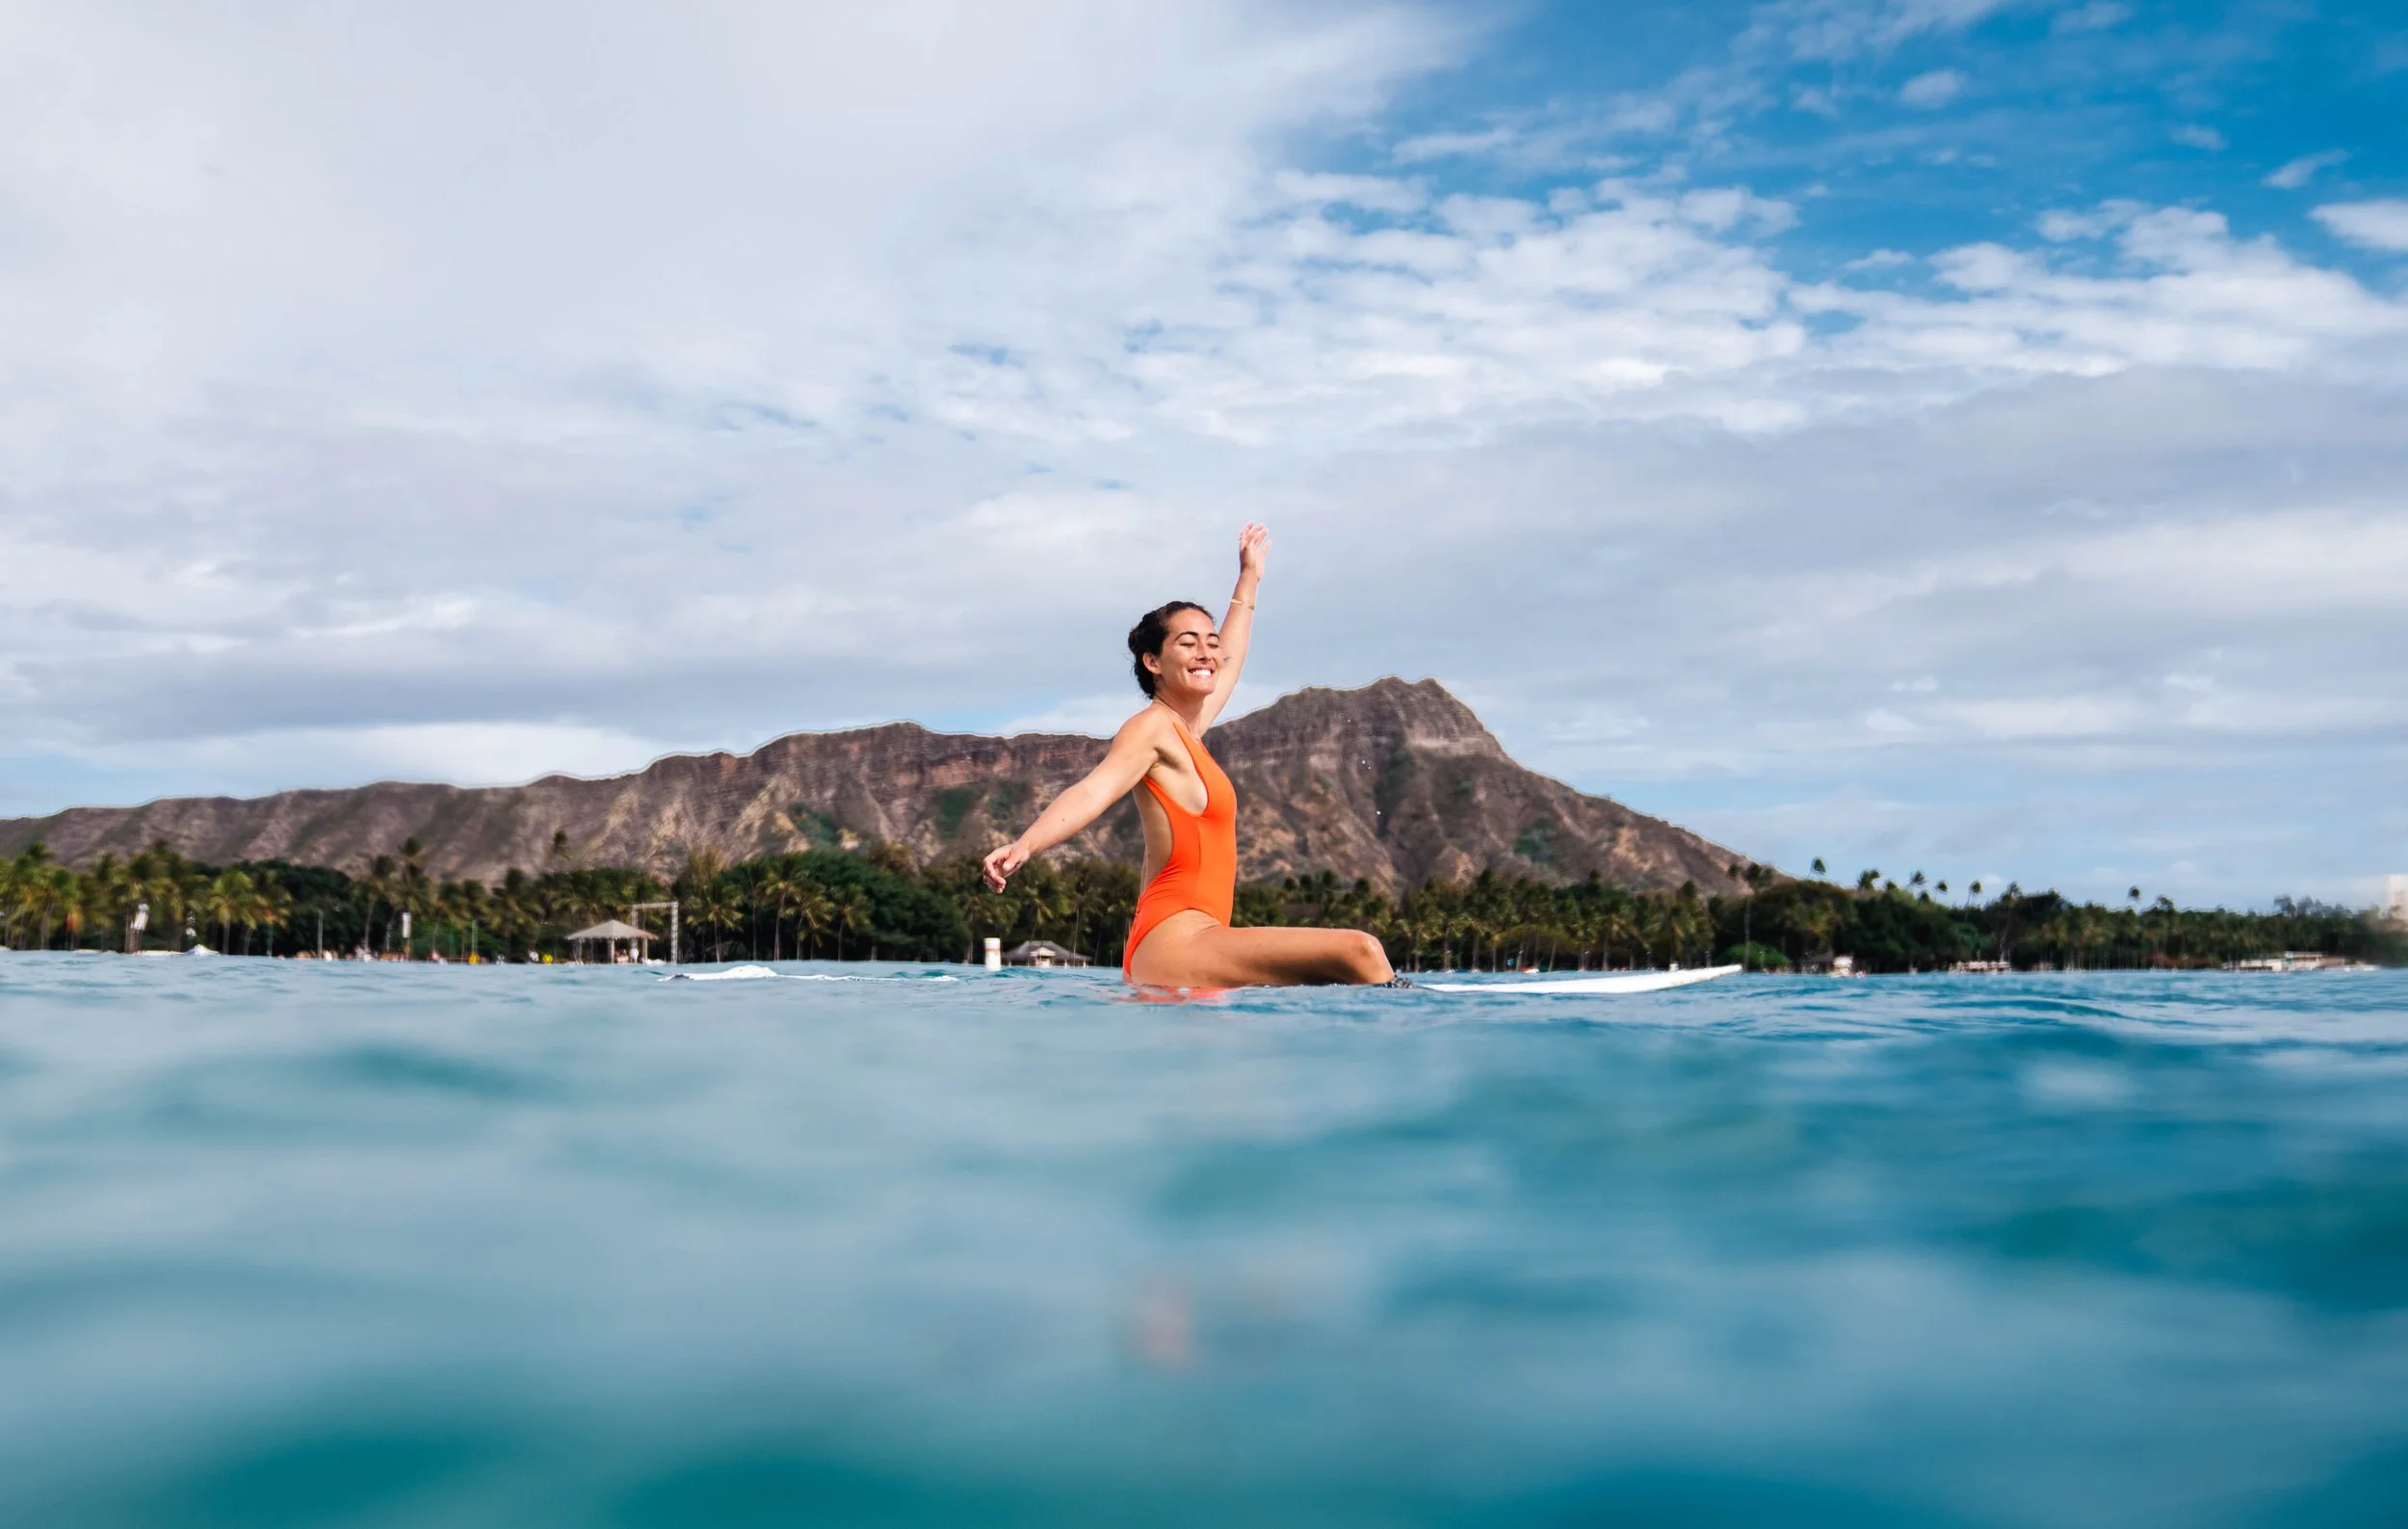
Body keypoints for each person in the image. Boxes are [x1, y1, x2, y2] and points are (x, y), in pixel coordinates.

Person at [982, 524, 1399, 989]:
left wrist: (1248, 579)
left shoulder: (1188, 731)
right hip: (1173, 940)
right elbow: (1094, 790)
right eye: (1187, 642)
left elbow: (1232, 659)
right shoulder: (1151, 728)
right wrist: (1026, 845)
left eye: (1210, 641)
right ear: (1153, 662)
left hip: (1197, 941)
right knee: (1359, 951)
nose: (1206, 652)